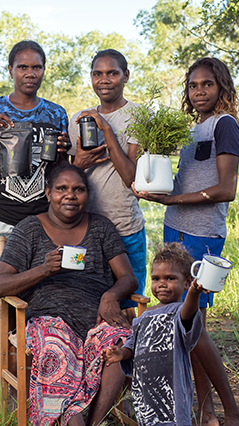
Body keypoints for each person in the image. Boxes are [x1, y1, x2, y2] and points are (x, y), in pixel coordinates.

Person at [133, 57, 239, 426]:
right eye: (193, 85)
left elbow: (226, 189)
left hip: (201, 234)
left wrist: (176, 199)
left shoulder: (224, 126)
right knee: (184, 324)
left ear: (222, 88)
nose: (199, 92)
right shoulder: (193, 129)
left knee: (194, 327)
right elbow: (180, 181)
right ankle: (205, 413)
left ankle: (233, 412)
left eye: (207, 85)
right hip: (177, 230)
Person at [0, 164, 137, 426]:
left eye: (78, 189)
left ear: (87, 194)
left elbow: (128, 278)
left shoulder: (100, 228)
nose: (70, 195)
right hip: (48, 320)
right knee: (57, 345)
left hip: (95, 319)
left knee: (119, 341)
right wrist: (44, 269)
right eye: (62, 189)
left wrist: (110, 295)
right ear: (48, 194)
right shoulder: (29, 229)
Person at [0, 40, 71, 306]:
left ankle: (31, 346)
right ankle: (7, 346)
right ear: (11, 70)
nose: (30, 73)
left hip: (42, 220)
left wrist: (62, 152)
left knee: (41, 290)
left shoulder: (56, 113)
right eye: (22, 67)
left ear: (44, 70)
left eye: (37, 67)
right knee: (0, 292)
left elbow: (60, 177)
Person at [102, 243, 204, 426]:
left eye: (170, 278)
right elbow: (133, 343)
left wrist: (194, 294)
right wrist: (121, 353)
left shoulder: (180, 311)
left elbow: (187, 315)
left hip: (173, 389)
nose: (162, 284)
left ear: (186, 282)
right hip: (147, 390)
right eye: (156, 279)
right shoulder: (144, 316)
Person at [68, 49, 147, 305]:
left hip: (125, 228)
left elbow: (131, 178)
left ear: (126, 76)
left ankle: (127, 347)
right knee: (86, 302)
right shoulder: (78, 119)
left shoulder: (138, 116)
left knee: (128, 303)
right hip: (84, 230)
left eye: (112, 73)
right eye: (97, 73)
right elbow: (70, 175)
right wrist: (78, 162)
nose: (104, 79)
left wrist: (106, 129)